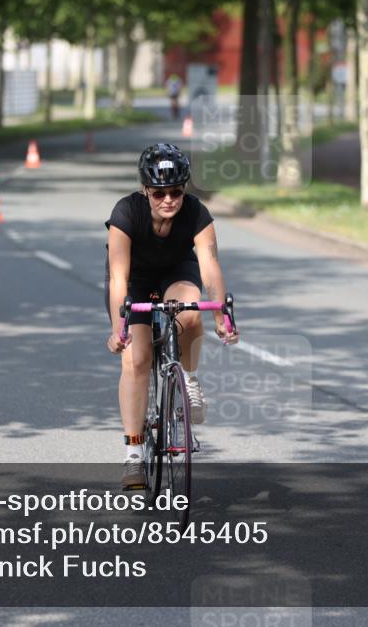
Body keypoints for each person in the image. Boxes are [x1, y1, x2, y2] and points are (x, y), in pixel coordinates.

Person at [104, 143, 239, 490]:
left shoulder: (196, 213)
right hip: (135, 279)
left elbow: (210, 267)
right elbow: (118, 277)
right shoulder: (125, 213)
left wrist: (222, 318)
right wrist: (118, 329)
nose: (168, 200)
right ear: (146, 190)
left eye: (176, 192)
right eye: (159, 192)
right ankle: (134, 455)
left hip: (177, 273)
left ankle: (189, 381)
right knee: (137, 358)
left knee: (191, 312)